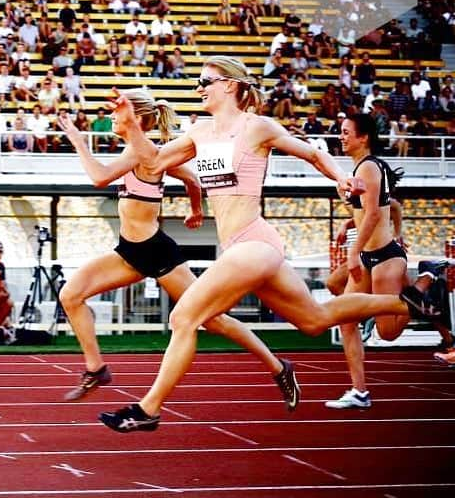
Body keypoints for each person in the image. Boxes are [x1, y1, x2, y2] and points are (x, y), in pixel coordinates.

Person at [97, 56, 441, 433]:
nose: (198, 88)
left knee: (184, 318)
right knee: (315, 320)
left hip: (255, 243)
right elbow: (154, 161)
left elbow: (312, 152)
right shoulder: (199, 131)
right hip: (243, 250)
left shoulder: (256, 126)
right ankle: (413, 300)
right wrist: (130, 126)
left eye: (204, 80)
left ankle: (148, 409)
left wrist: (341, 178)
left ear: (229, 85)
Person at [57, 89, 296, 402]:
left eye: (117, 113)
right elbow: (192, 180)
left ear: (136, 117)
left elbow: (99, 177)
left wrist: (77, 140)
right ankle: (95, 368)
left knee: (213, 320)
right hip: (129, 251)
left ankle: (278, 366)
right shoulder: (141, 152)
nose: (113, 117)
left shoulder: (139, 153)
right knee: (71, 295)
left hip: (157, 252)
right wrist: (195, 210)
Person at [325, 115, 453, 409]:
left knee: (389, 333)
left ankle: (427, 278)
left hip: (383, 257)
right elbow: (388, 206)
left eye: (346, 132)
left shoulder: (369, 166)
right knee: (345, 317)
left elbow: (371, 215)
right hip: (372, 255)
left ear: (363, 137)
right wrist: (353, 225)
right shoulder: (362, 168)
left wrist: (354, 250)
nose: (340, 136)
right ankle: (359, 391)